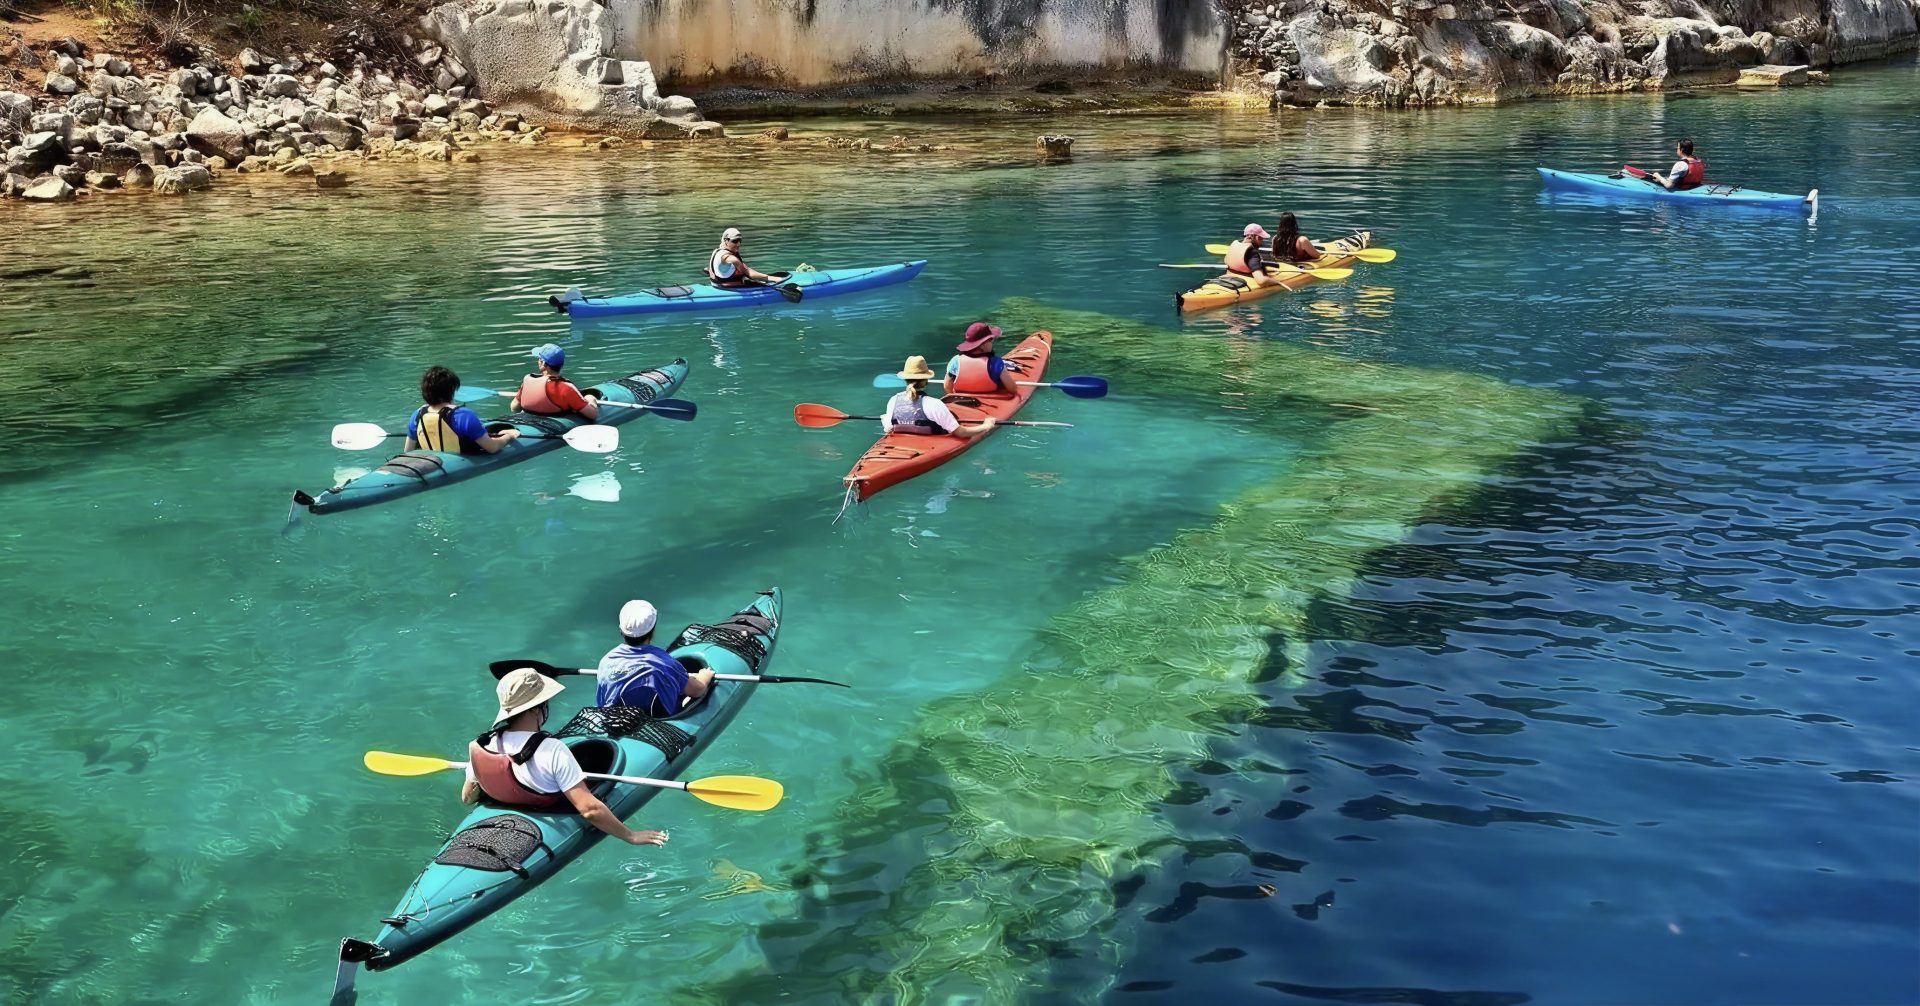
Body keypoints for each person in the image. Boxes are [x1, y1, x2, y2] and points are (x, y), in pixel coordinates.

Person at [462, 668, 669, 846]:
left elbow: (467, 797)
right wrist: (631, 836)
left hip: (504, 812)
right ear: (535, 709)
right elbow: (589, 810)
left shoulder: (484, 744)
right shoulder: (552, 749)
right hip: (548, 813)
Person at [597, 600, 715, 716]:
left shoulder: (606, 662)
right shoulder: (665, 663)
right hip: (657, 722)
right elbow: (697, 691)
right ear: (652, 631)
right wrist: (704, 678)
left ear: (621, 630)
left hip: (616, 721)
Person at [406, 365, 521, 454]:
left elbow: (408, 451)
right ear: (452, 390)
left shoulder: (417, 415)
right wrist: (509, 436)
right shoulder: (464, 415)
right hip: (460, 463)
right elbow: (492, 448)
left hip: (429, 462)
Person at [883, 356, 996, 438]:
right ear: (926, 380)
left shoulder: (893, 401)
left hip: (905, 445)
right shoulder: (934, 404)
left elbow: (889, 429)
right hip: (930, 446)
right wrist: (986, 426)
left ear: (905, 379)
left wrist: (885, 419)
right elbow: (961, 433)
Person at [510, 343, 599, 420]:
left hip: (529, 420)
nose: (538, 361)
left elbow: (514, 408)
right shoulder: (566, 388)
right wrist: (591, 399)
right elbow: (592, 414)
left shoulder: (527, 381)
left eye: (539, 359)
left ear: (544, 364)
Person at [943, 321, 1022, 396]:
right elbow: (1012, 389)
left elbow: (947, 386)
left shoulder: (955, 360)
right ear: (983, 345)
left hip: (963, 398)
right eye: (991, 340)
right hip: (991, 397)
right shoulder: (996, 362)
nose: (992, 343)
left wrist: (954, 395)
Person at [706, 227, 775, 287]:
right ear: (726, 241)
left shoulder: (717, 251)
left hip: (716, 285)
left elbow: (712, 269)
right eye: (735, 241)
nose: (738, 244)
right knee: (770, 280)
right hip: (729, 289)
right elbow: (750, 274)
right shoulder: (732, 259)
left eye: (740, 241)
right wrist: (776, 279)